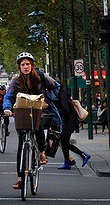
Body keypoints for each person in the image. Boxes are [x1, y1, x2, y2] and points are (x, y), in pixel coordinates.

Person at [3, 52, 62, 189]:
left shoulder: (41, 77)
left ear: (32, 65)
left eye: (28, 64)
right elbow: (9, 96)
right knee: (20, 146)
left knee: (38, 129)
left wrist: (47, 100)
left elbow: (57, 87)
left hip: (38, 111)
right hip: (22, 112)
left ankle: (41, 152)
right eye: (23, 64)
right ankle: (20, 179)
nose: (25, 67)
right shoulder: (16, 81)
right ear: (19, 67)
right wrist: (7, 108)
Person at [55, 85, 91, 170]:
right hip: (68, 122)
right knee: (64, 142)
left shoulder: (62, 96)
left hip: (67, 123)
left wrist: (57, 107)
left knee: (64, 142)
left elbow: (65, 110)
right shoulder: (63, 94)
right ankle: (67, 161)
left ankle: (82, 155)